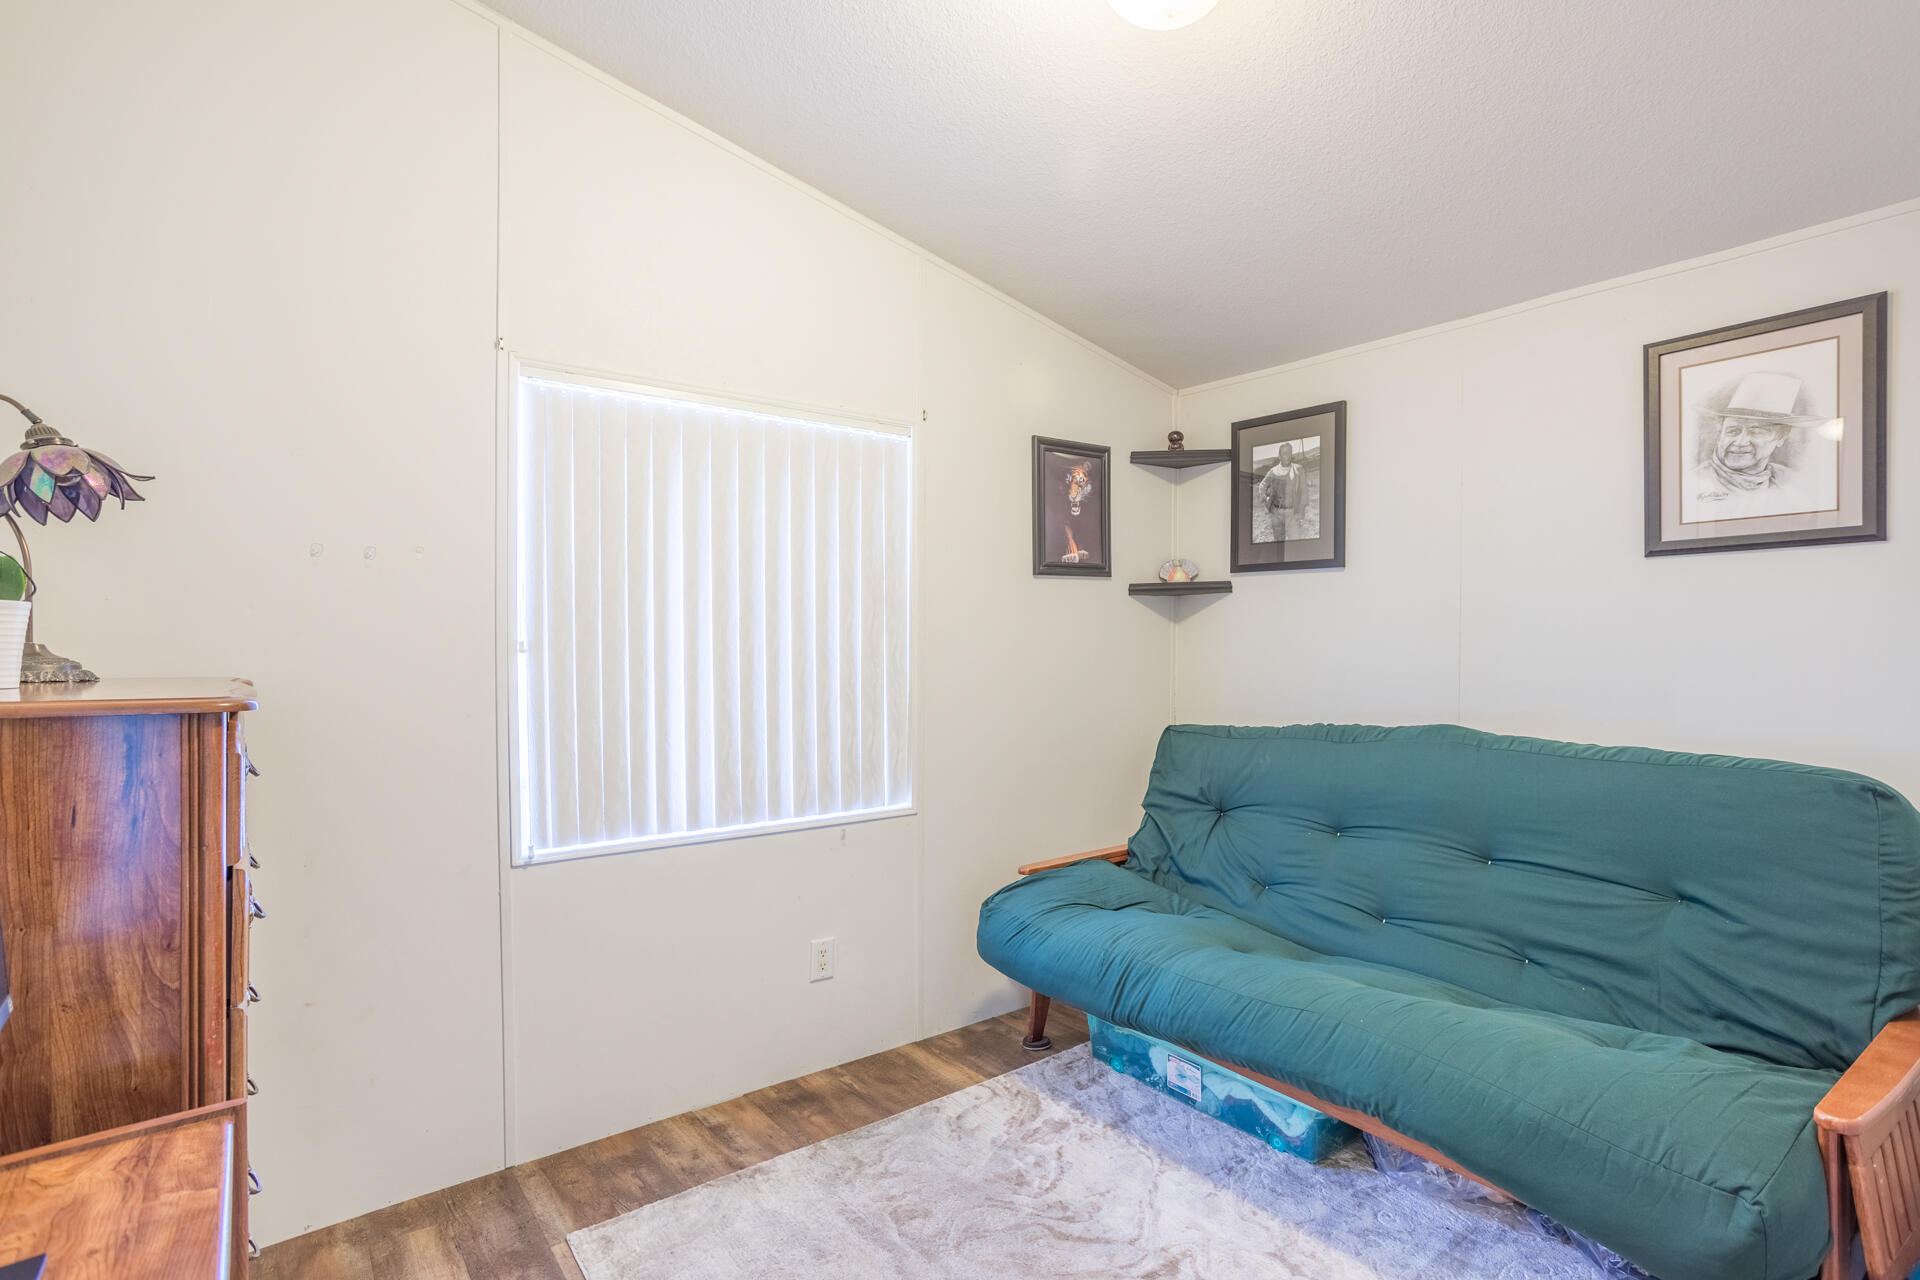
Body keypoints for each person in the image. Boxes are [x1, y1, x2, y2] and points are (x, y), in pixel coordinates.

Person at [1686, 371, 1828, 521]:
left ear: (1781, 437)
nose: (1740, 442)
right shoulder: (1695, 482)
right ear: (1720, 433)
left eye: (1756, 432)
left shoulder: (1794, 495)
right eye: (1732, 431)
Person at [1257, 443, 1303, 539]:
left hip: (1292, 513)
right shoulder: (1273, 472)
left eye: (1289, 453)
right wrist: (1265, 499)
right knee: (1279, 543)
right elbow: (1262, 485)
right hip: (1277, 513)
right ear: (1279, 456)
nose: (1288, 456)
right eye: (1284, 454)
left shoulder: (1297, 470)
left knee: (1296, 541)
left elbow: (1301, 491)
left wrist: (1300, 510)